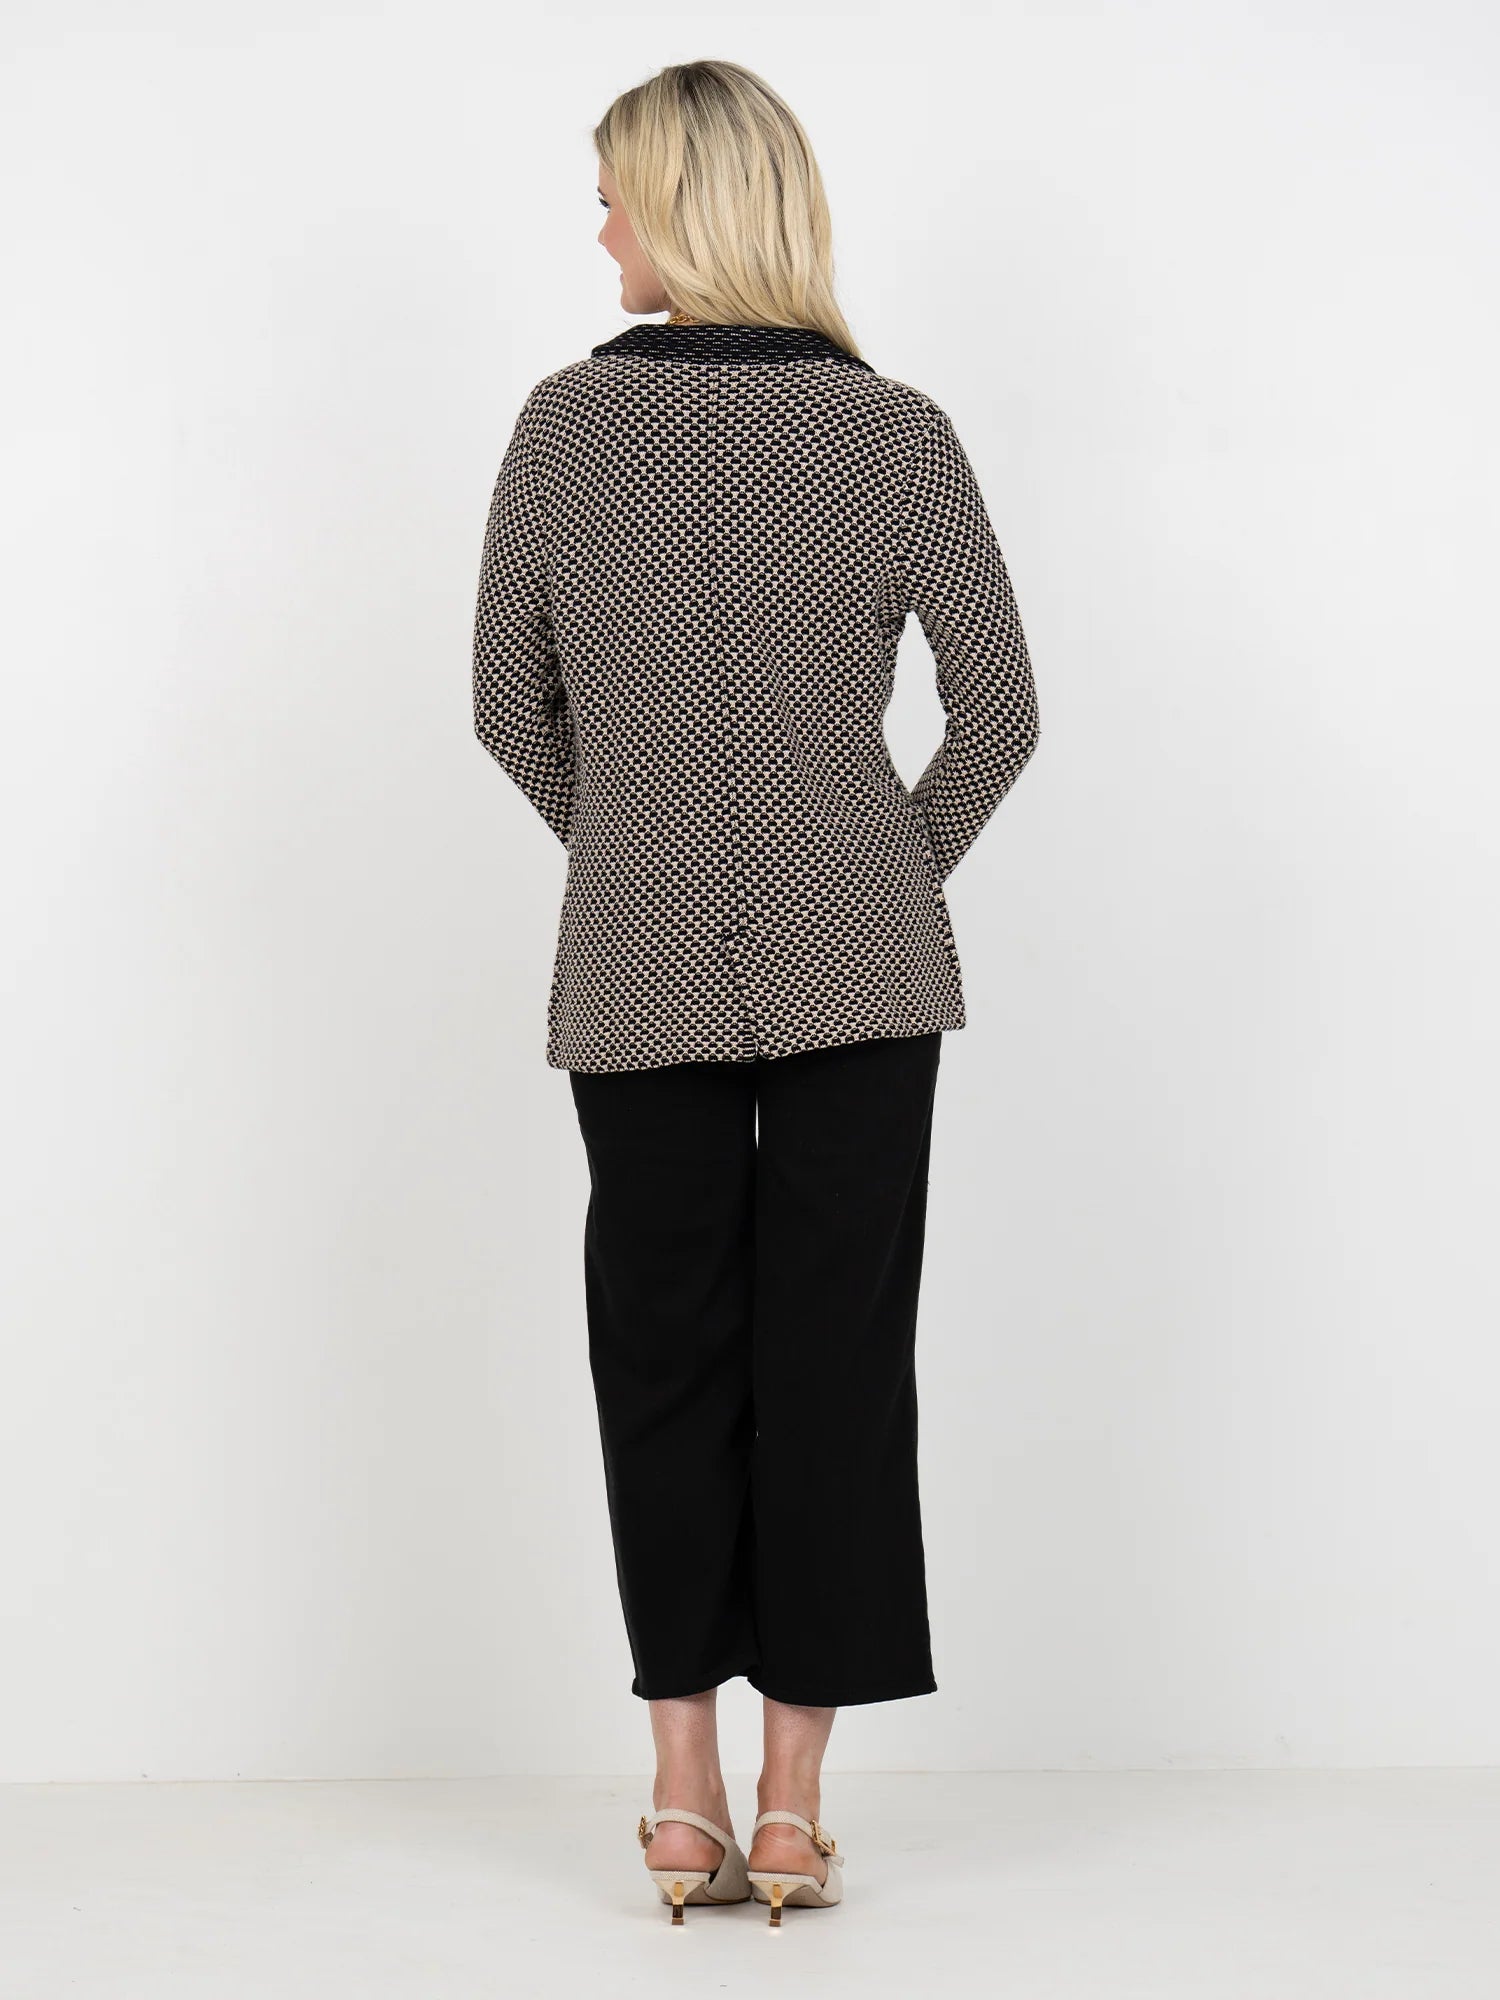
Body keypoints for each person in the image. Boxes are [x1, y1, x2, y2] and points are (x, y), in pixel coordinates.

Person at [472, 59, 1040, 1924]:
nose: (601, 233)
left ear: (684, 208)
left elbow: (507, 707)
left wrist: (640, 856)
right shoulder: (897, 433)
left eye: (615, 197)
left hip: (633, 974)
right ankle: (792, 1810)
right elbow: (1000, 715)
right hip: (865, 979)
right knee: (836, 1371)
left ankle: (682, 1793)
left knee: (662, 1361)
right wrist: (867, 880)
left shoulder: (564, 428)